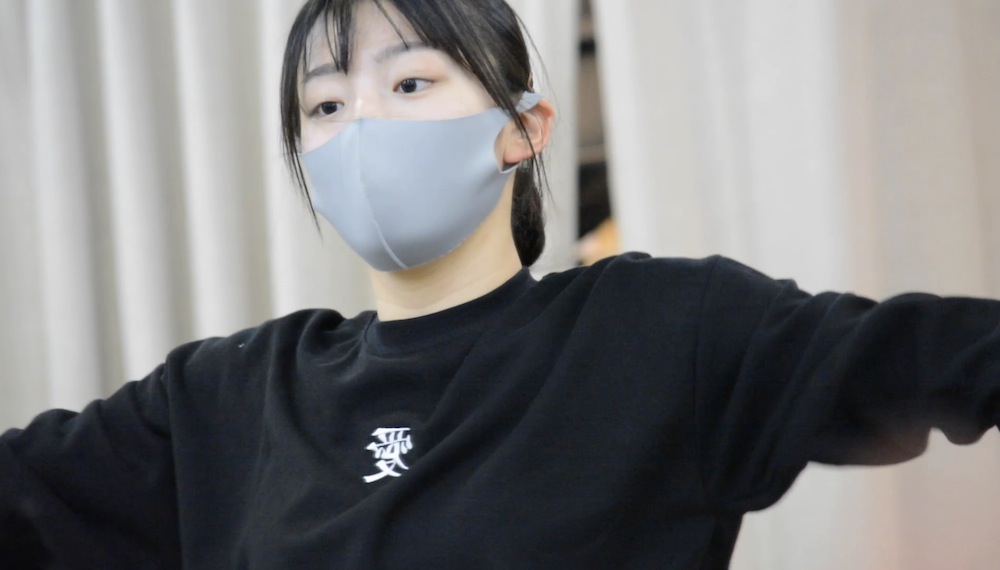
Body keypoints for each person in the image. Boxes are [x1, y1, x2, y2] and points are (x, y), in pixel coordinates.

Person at [2, 0, 999, 568]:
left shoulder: (658, 331)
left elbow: (941, 356)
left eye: (409, 83)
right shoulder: (226, 396)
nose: (361, 128)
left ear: (523, 129)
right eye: (325, 105)